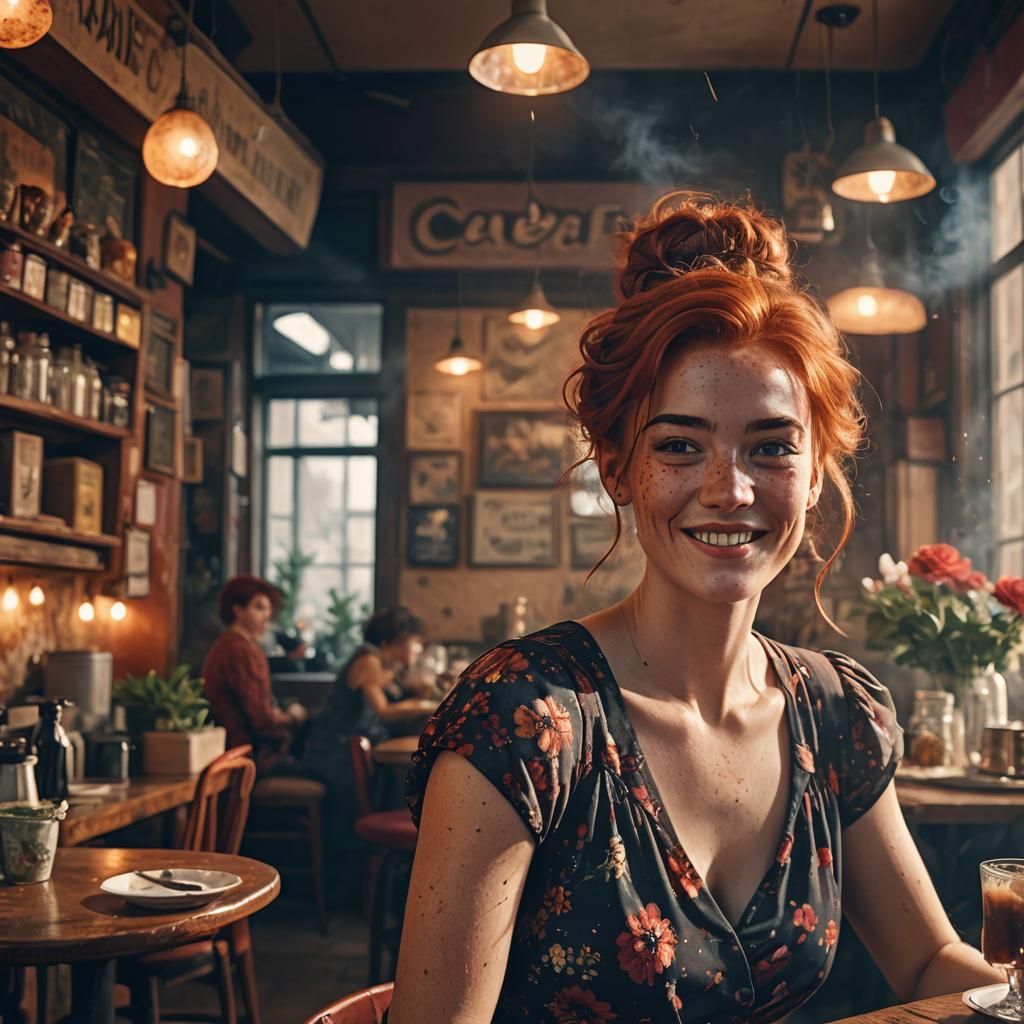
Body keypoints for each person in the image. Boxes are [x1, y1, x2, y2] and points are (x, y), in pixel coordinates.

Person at [388, 195, 1002, 1023]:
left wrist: (1010, 997)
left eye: (771, 446)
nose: (731, 490)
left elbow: (931, 958)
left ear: (815, 471)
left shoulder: (835, 713)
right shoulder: (525, 720)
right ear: (616, 467)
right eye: (680, 445)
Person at [202, 575, 307, 776]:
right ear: (238, 610)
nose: (267, 616)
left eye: (268, 609)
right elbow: (262, 720)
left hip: (240, 752)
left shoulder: (230, 644)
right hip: (250, 758)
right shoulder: (240, 650)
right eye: (259, 607)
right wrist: (294, 716)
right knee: (329, 769)